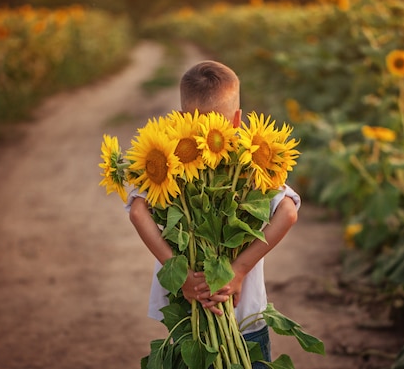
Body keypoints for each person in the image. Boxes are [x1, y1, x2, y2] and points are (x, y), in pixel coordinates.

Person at [126, 60, 300, 367]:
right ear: (237, 119)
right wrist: (239, 271)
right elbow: (287, 212)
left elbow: (138, 212)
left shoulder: (167, 163)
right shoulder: (252, 162)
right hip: (244, 316)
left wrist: (182, 278)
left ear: (182, 116)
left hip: (188, 317)